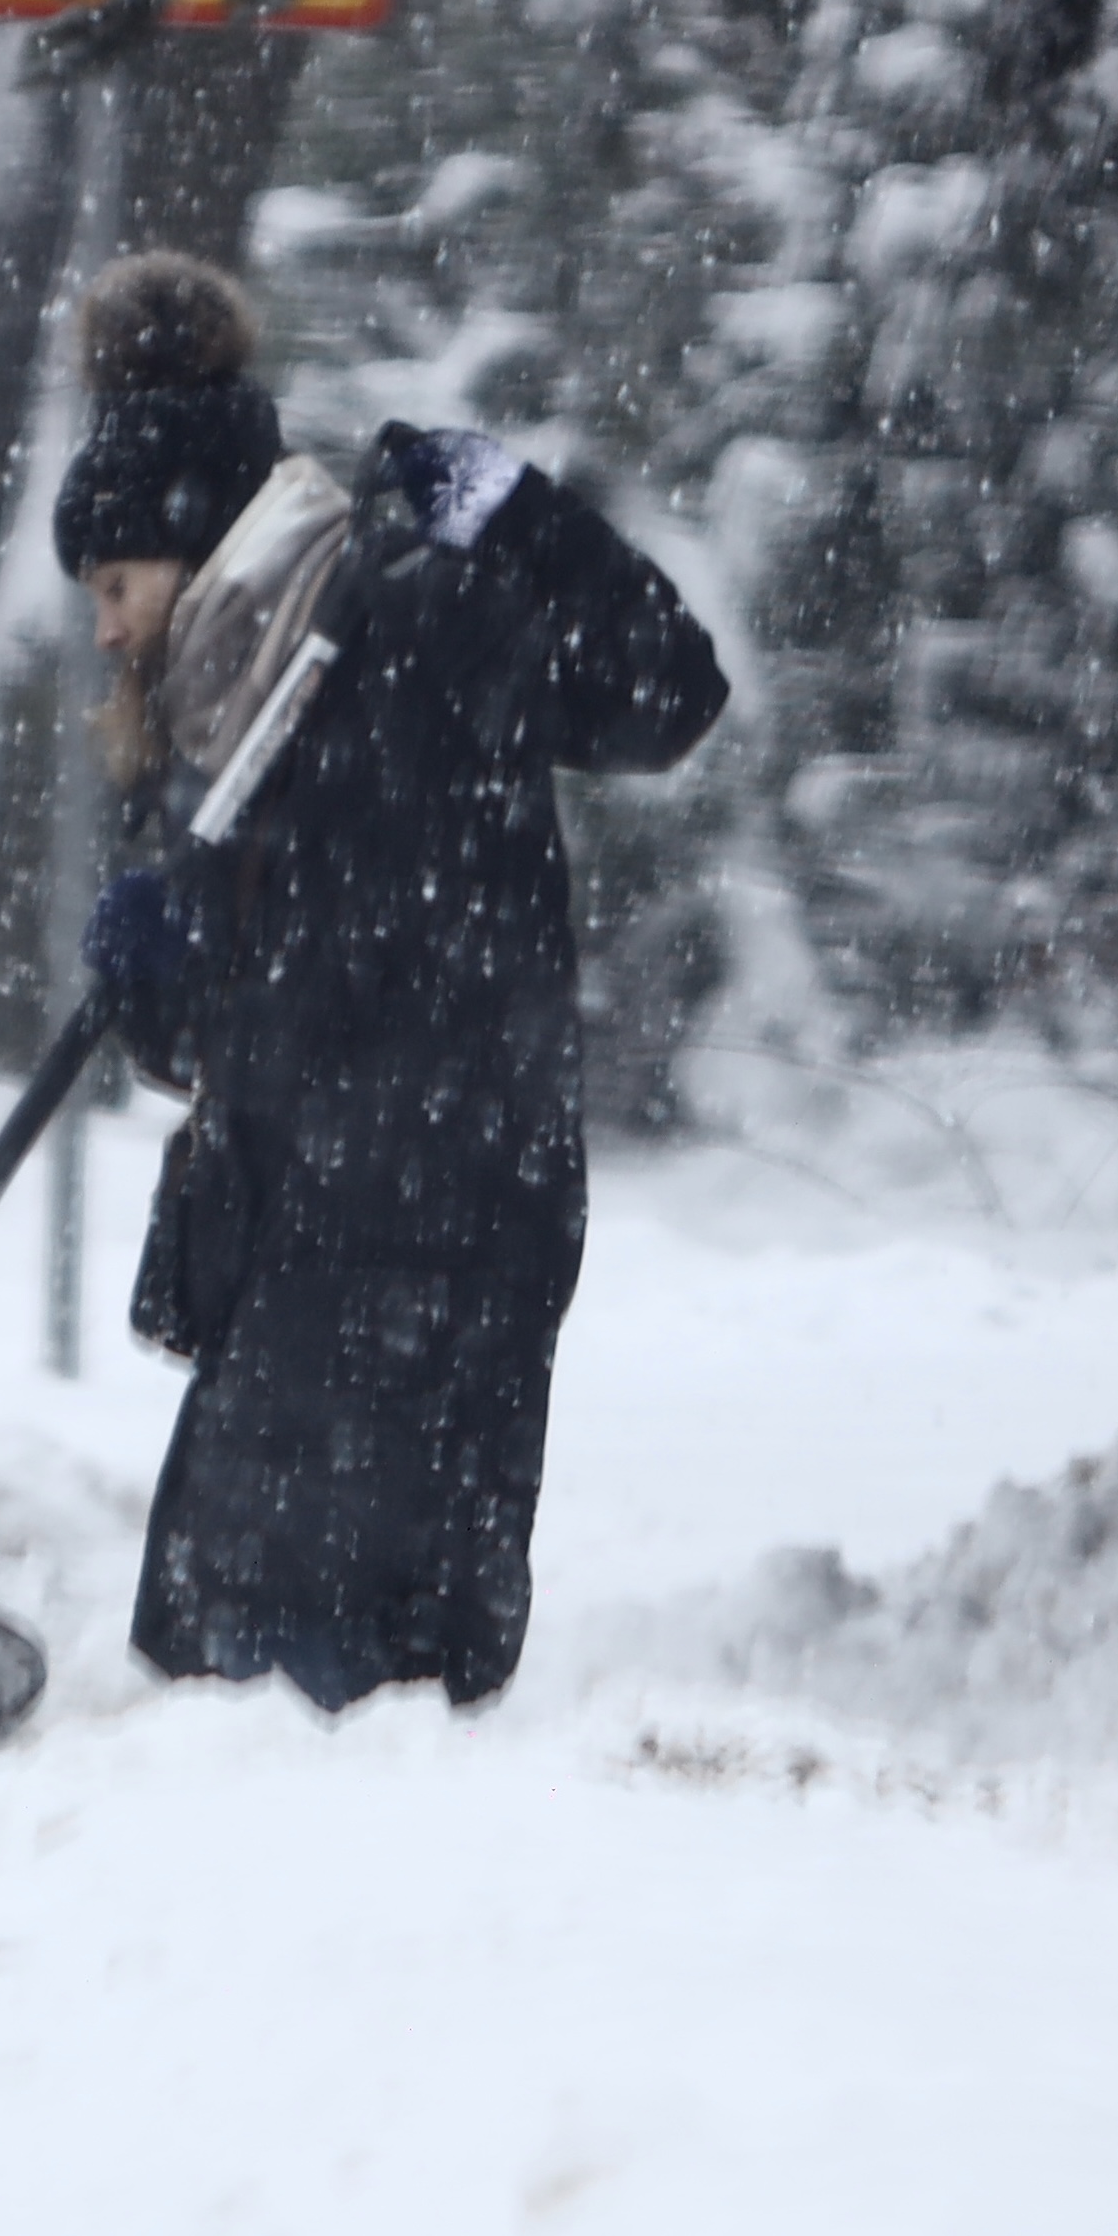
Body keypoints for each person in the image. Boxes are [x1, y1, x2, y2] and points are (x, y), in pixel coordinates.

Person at [54, 251, 728, 1709]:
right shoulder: (209, 723)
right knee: (217, 1686)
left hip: (435, 1241)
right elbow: (242, 1026)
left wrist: (521, 515)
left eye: (114, 583)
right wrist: (159, 976)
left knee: (299, 1714)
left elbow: (671, 689)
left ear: (186, 544)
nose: (102, 625)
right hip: (298, 1254)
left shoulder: (407, 616)